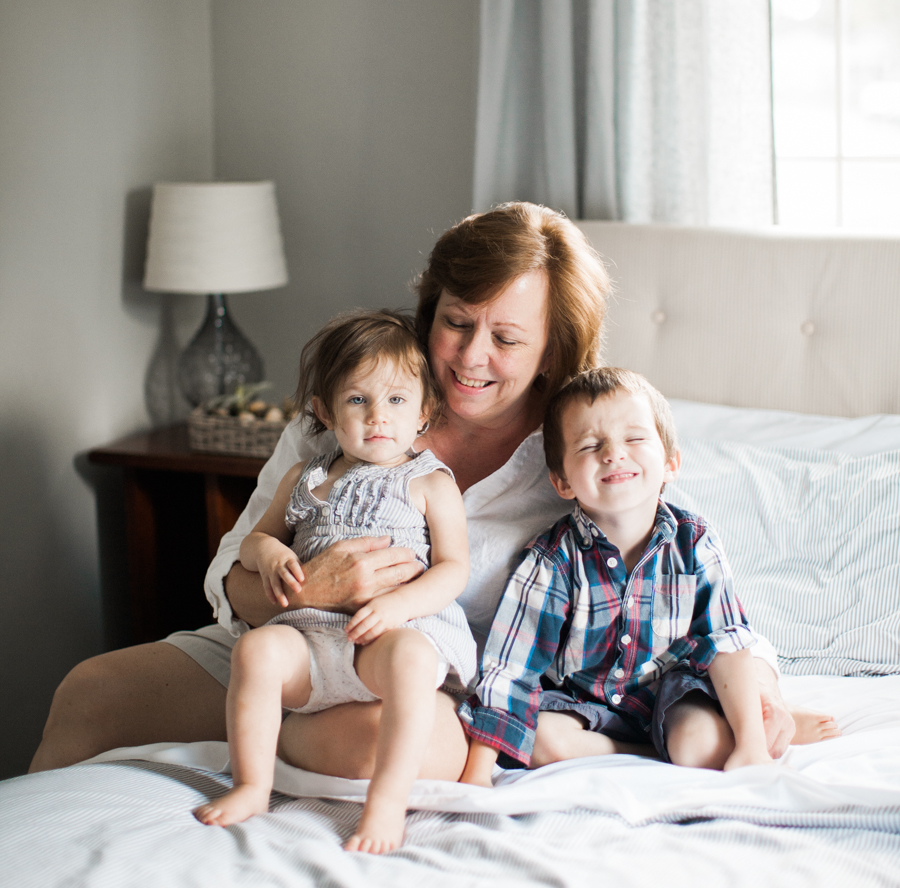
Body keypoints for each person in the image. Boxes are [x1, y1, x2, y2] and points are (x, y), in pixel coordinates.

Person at [31, 203, 823, 785]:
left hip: (420, 679)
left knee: (387, 745)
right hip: (290, 645)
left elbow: (684, 585)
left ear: (552, 351)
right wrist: (312, 588)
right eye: (456, 322)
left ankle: (261, 739)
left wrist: (758, 699)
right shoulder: (356, 410)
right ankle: (259, 718)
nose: (471, 357)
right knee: (87, 691)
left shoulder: (580, 456)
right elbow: (231, 576)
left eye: (506, 338)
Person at [194, 311, 474, 852]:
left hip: (384, 637)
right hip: (310, 641)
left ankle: (386, 805)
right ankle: (251, 786)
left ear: (424, 412)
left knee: (413, 661)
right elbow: (254, 540)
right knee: (255, 651)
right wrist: (270, 553)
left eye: (397, 400)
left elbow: (453, 568)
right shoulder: (305, 477)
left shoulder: (430, 483)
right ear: (325, 411)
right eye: (357, 399)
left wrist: (399, 607)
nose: (377, 416)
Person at [459, 368, 775, 786]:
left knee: (698, 746)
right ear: (562, 481)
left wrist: (751, 745)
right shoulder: (551, 560)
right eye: (591, 445)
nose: (613, 454)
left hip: (674, 696)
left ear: (671, 463)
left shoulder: (694, 541)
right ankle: (647, 753)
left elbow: (726, 640)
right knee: (538, 742)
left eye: (635, 438)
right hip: (584, 705)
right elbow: (510, 667)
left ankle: (759, 732)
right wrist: (477, 773)